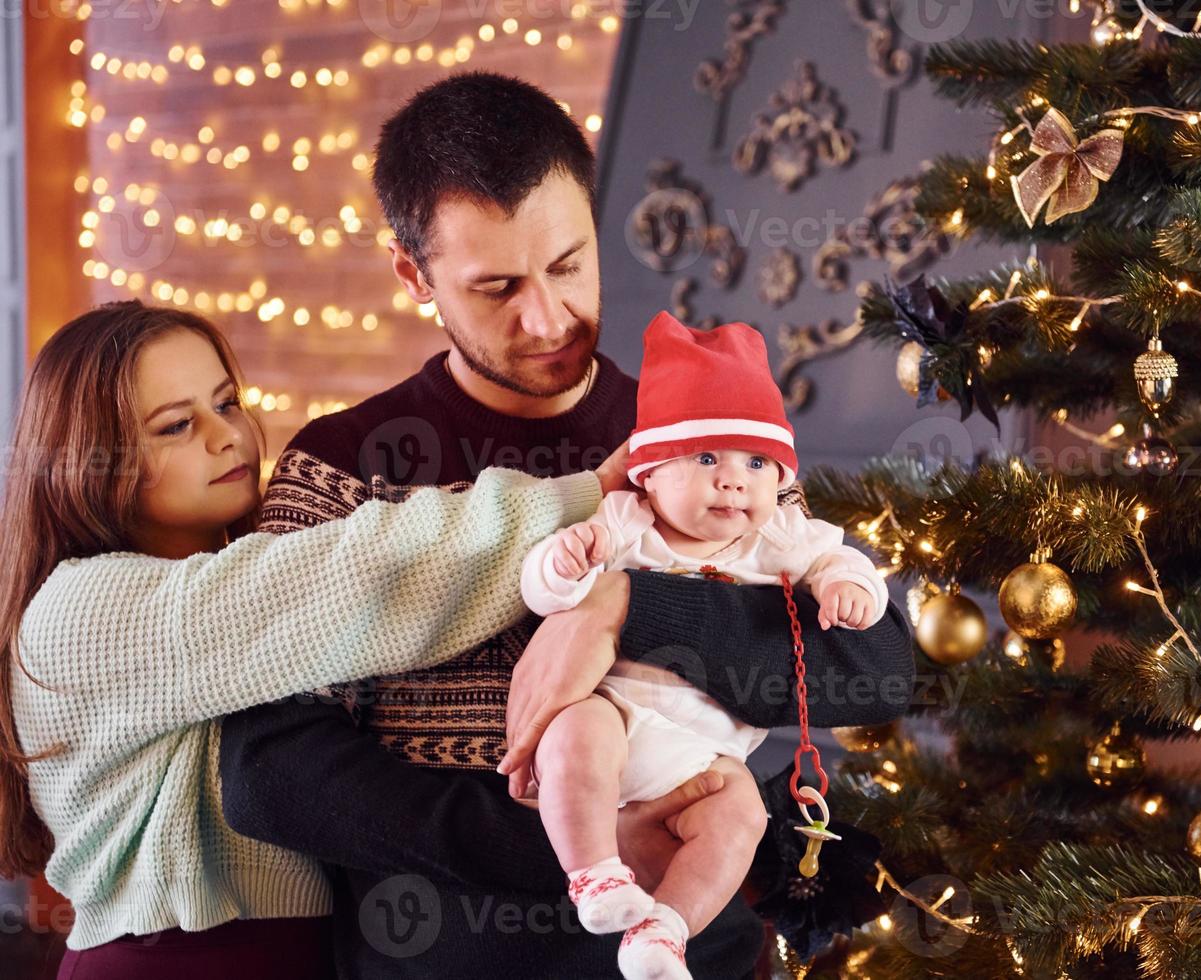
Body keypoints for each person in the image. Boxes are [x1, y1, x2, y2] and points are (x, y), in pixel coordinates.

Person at [218, 72, 915, 979]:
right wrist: (570, 845)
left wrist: (625, 608)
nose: (545, 317)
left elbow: (872, 673)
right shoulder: (347, 463)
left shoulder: (696, 437)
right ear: (412, 273)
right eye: (497, 287)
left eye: (567, 265)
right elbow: (269, 774)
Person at [0, 300, 623, 979]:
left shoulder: (224, 579)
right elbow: (360, 572)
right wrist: (591, 500)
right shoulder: (83, 609)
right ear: (88, 463)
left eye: (226, 402)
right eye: (176, 425)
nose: (225, 435)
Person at [518, 312, 890, 979]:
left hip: (702, 758)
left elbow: (848, 577)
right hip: (619, 715)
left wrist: (849, 587)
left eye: (756, 462)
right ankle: (596, 877)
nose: (733, 480)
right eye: (706, 457)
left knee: (741, 813)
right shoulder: (625, 523)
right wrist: (564, 564)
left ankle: (665, 929)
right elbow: (546, 595)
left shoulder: (779, 539)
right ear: (650, 474)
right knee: (574, 733)